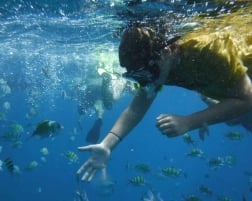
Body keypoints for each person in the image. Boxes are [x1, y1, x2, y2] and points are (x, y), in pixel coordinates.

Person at [76, 7, 252, 182]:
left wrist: (188, 122)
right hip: (231, 91)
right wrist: (107, 144)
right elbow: (136, 108)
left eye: (146, 73)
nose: (146, 81)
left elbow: (247, 98)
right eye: (138, 76)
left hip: (243, 90)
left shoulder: (207, 49)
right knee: (236, 118)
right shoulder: (158, 65)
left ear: (167, 52)